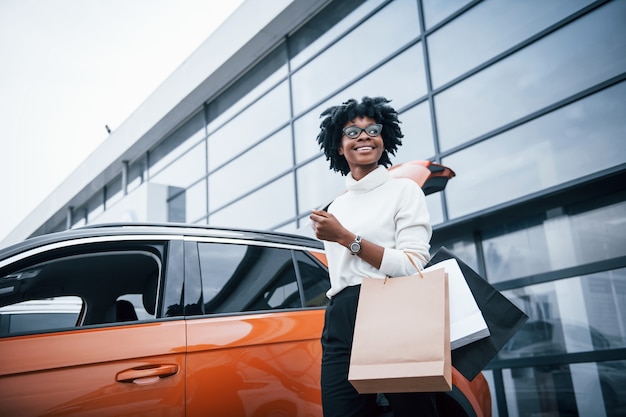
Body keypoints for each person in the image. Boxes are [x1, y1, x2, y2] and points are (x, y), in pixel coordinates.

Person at [310, 96, 438, 417]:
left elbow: (412, 265)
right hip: (341, 315)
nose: (364, 136)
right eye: (352, 132)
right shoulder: (336, 206)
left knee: (413, 412)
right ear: (339, 147)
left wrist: (345, 238)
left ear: (384, 139)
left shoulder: (404, 190)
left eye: (372, 130)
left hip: (391, 308)